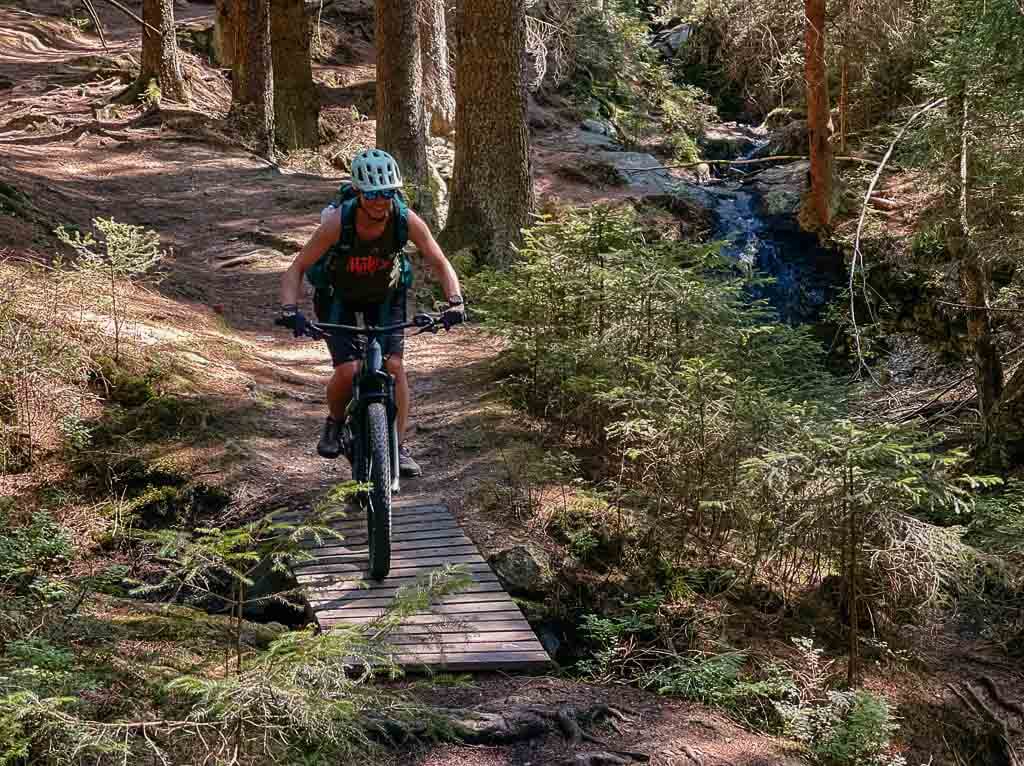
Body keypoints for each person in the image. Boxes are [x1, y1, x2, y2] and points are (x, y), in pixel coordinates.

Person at [278, 149, 465, 477]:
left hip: (385, 295)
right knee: (349, 370)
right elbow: (298, 267)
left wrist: (456, 301)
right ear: (360, 193)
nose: (381, 201)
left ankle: (399, 445)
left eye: (388, 193)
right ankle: (335, 423)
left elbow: (439, 260)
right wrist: (289, 309)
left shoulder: (404, 219)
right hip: (338, 297)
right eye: (374, 194)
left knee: (394, 366)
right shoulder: (339, 222)